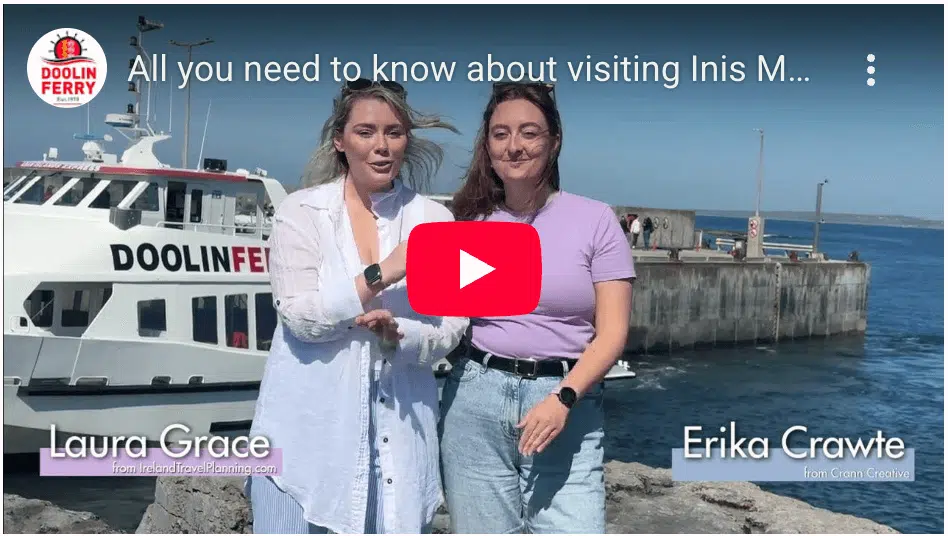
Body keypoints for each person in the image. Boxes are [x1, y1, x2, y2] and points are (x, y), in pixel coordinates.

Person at [247, 78, 469, 534]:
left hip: (400, 449)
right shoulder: (300, 212)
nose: (381, 146)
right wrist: (383, 272)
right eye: (366, 132)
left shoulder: (436, 219)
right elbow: (299, 316)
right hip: (303, 450)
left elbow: (448, 331)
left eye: (394, 132)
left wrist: (400, 335)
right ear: (340, 141)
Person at [440, 81, 636, 534]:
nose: (514, 146)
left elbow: (612, 333)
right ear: (486, 144)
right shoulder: (467, 219)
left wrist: (564, 397)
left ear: (554, 141)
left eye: (529, 133)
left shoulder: (596, 220)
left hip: (564, 401)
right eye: (500, 133)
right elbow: (442, 317)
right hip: (474, 398)